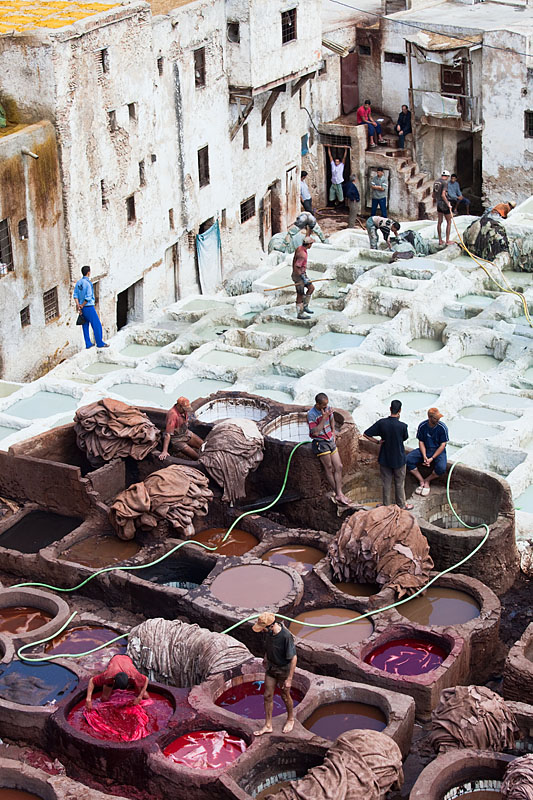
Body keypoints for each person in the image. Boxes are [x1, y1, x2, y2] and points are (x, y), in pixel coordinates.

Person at [252, 612, 297, 736]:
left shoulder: (285, 636)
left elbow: (293, 658)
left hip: (283, 670)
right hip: (271, 668)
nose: (262, 631)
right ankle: (268, 725)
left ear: (271, 625)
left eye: (263, 628)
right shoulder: (269, 633)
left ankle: (290, 719)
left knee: (285, 695)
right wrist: (266, 658)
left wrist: (289, 679)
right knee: (267, 695)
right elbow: (269, 647)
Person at [363, 400, 413, 510]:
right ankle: (402, 505)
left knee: (386, 482)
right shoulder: (403, 426)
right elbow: (404, 438)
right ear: (400, 410)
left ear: (390, 409)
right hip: (399, 458)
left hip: (385, 457)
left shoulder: (382, 423)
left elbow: (366, 434)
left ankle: (386, 505)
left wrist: (377, 442)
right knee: (399, 483)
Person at [307, 393, 353, 506]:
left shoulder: (327, 408)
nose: (326, 407)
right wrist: (323, 418)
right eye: (323, 405)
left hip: (330, 439)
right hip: (320, 442)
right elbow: (315, 432)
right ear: (317, 404)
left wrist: (333, 431)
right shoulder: (311, 414)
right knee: (329, 467)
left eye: (326, 404)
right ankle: (339, 494)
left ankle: (339, 493)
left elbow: (332, 419)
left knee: (339, 466)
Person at [406, 408, 449, 496]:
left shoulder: (442, 428)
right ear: (429, 417)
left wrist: (432, 458)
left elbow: (442, 445)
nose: (437, 420)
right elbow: (421, 442)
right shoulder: (423, 426)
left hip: (438, 451)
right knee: (408, 459)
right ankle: (421, 480)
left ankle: (427, 480)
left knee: (441, 468)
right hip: (426, 449)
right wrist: (425, 456)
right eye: (435, 418)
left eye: (438, 418)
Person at [73, 266, 109, 349]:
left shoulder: (78, 283)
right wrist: (83, 304)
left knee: (85, 325)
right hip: (88, 307)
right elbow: (88, 296)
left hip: (82, 307)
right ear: (88, 272)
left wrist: (78, 305)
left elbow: (75, 295)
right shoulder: (88, 283)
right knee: (96, 324)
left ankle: (88, 343)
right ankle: (100, 343)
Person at [159, 396, 204, 460]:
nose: (185, 411)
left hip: (186, 433)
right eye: (184, 409)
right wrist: (164, 451)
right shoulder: (173, 415)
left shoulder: (183, 411)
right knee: (197, 457)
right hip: (177, 439)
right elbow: (167, 434)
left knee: (204, 446)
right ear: (179, 406)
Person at [291, 236, 314, 319]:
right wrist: (302, 278)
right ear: (308, 244)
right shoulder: (302, 254)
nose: (312, 245)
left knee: (311, 288)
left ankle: (305, 306)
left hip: (302, 274)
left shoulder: (300, 248)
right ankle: (300, 313)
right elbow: (297, 267)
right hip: (298, 276)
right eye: (311, 243)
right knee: (300, 294)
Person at [433, 170, 453, 246]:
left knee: (439, 222)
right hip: (444, 203)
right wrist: (448, 204)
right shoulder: (445, 183)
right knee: (449, 221)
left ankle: (440, 240)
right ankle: (447, 240)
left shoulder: (436, 182)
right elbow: (443, 195)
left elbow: (433, 195)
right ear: (447, 176)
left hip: (438, 203)